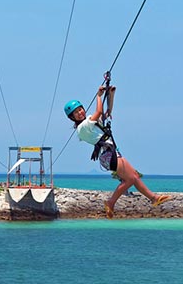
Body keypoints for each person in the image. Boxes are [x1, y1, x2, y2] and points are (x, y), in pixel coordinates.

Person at [64, 86, 171, 219]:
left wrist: (110, 94)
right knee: (130, 178)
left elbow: (106, 113)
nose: (80, 112)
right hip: (108, 155)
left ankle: (154, 198)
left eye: (80, 109)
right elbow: (98, 111)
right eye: (76, 112)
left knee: (134, 176)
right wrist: (98, 95)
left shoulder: (89, 122)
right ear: (72, 117)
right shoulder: (83, 127)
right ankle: (111, 202)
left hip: (112, 152)